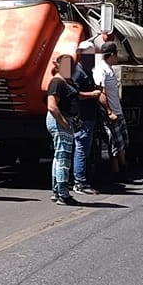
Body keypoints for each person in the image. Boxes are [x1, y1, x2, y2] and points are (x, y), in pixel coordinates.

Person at [45, 53, 83, 206]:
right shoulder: (57, 82)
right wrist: (64, 122)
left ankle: (57, 191)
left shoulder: (67, 82)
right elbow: (52, 105)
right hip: (60, 121)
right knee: (63, 158)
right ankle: (63, 193)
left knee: (59, 156)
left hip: (65, 120)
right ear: (58, 65)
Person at [70, 40, 105, 196]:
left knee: (85, 149)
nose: (91, 59)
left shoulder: (87, 71)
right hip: (82, 117)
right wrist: (93, 94)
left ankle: (81, 180)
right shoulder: (78, 72)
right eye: (88, 56)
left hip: (89, 116)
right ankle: (80, 183)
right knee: (81, 149)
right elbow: (74, 94)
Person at [97, 41, 126, 174]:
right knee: (115, 143)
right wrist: (109, 112)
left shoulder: (109, 68)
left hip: (117, 110)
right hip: (111, 113)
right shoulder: (101, 69)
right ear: (112, 55)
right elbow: (101, 94)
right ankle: (119, 171)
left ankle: (120, 169)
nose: (117, 57)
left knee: (121, 143)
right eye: (116, 54)